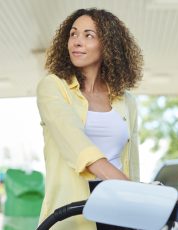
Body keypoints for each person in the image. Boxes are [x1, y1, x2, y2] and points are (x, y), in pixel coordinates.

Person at [36, 8, 143, 229]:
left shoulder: (126, 102)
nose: (77, 41)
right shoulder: (53, 88)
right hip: (72, 210)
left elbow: (132, 160)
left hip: (118, 205)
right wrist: (129, 186)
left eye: (88, 35)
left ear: (108, 46)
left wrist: (136, 198)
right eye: (73, 34)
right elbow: (73, 138)